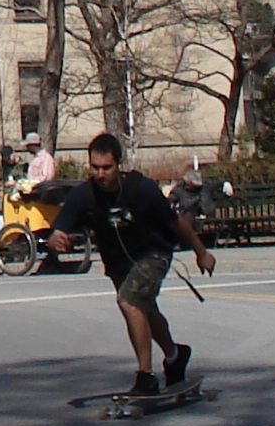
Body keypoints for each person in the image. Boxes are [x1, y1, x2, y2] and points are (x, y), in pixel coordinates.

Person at [47, 133, 218, 399]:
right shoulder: (84, 195)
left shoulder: (141, 189)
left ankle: (145, 376)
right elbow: (59, 228)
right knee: (145, 310)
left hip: (154, 252)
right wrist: (56, 238)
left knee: (130, 301)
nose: (101, 174)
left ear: (119, 164)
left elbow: (177, 224)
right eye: (95, 168)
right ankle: (174, 355)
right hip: (118, 262)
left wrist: (201, 252)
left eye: (107, 168)